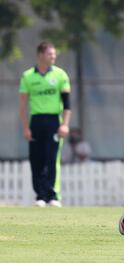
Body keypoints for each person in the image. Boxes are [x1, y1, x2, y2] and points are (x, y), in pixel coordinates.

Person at [19, 41, 72, 207]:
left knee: (51, 158)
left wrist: (65, 124)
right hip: (36, 120)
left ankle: (52, 196)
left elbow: (67, 104)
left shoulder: (60, 75)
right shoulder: (28, 76)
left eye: (54, 54)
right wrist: (26, 127)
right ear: (40, 55)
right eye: (50, 54)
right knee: (36, 159)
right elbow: (22, 105)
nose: (53, 57)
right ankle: (40, 196)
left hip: (53, 121)